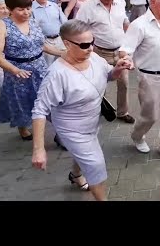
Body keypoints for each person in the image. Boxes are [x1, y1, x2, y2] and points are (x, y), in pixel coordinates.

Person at [31, 20, 134, 201]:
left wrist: (118, 69)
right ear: (67, 44)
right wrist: (39, 149)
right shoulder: (56, 74)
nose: (91, 48)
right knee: (95, 164)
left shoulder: (93, 58)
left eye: (92, 42)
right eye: (85, 45)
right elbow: (39, 110)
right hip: (72, 129)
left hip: (92, 121)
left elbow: (108, 74)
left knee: (85, 155)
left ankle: (76, 175)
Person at [0, 0, 63, 141]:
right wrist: (14, 70)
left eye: (28, 8)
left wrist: (62, 53)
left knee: (50, 100)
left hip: (40, 68)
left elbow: (41, 45)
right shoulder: (1, 24)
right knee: (21, 102)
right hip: (18, 71)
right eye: (20, 9)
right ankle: (22, 127)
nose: (26, 12)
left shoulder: (32, 21)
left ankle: (60, 132)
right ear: (10, 9)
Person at [119, 0, 160, 154]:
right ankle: (137, 136)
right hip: (150, 78)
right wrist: (127, 60)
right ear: (153, 2)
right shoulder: (139, 25)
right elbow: (125, 49)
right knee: (150, 115)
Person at [76, 0, 135, 124]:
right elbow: (79, 29)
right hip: (100, 53)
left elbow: (125, 23)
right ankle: (97, 110)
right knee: (98, 84)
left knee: (124, 84)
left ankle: (122, 112)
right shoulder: (88, 7)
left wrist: (129, 47)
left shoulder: (119, 2)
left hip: (120, 52)